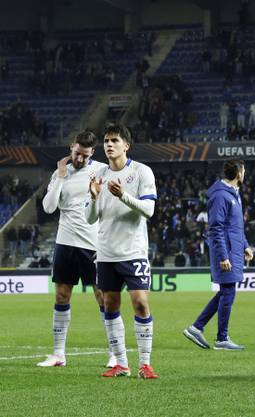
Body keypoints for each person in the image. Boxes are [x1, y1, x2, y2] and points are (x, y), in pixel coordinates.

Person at [86, 124, 159, 379]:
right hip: (106, 252)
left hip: (134, 251)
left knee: (140, 303)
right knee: (110, 305)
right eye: (106, 140)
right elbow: (89, 218)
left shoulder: (141, 172)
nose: (108, 144)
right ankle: (121, 363)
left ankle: (145, 364)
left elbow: (148, 210)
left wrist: (123, 196)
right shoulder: (98, 174)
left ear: (126, 145)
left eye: (114, 140)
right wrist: (94, 197)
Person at [37, 130, 115, 369]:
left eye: (85, 155)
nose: (79, 159)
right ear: (71, 147)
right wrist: (60, 176)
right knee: (61, 295)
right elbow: (49, 208)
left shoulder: (102, 170)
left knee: (102, 297)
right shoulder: (60, 172)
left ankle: (114, 353)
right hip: (65, 241)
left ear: (92, 153)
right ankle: (58, 354)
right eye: (77, 153)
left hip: (93, 243)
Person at [183, 159, 254, 351]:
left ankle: (197, 328)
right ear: (239, 174)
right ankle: (221, 338)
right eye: (244, 171)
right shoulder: (222, 196)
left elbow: (235, 226)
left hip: (233, 249)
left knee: (226, 291)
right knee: (228, 291)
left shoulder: (232, 194)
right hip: (226, 251)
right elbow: (216, 228)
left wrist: (245, 245)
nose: (245, 174)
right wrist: (223, 256)